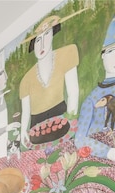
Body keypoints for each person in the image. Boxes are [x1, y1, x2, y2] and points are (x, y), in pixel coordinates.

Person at [19, 15, 79, 146]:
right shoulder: (26, 79)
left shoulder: (66, 53)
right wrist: (23, 130)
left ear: (53, 35)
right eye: (38, 40)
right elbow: (26, 112)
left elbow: (73, 92)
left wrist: (71, 118)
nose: (41, 44)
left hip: (61, 117)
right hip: (36, 128)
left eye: (46, 35)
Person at [75, 16, 115, 161]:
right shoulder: (92, 99)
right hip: (103, 158)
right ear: (102, 56)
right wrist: (109, 153)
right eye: (111, 51)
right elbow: (79, 139)